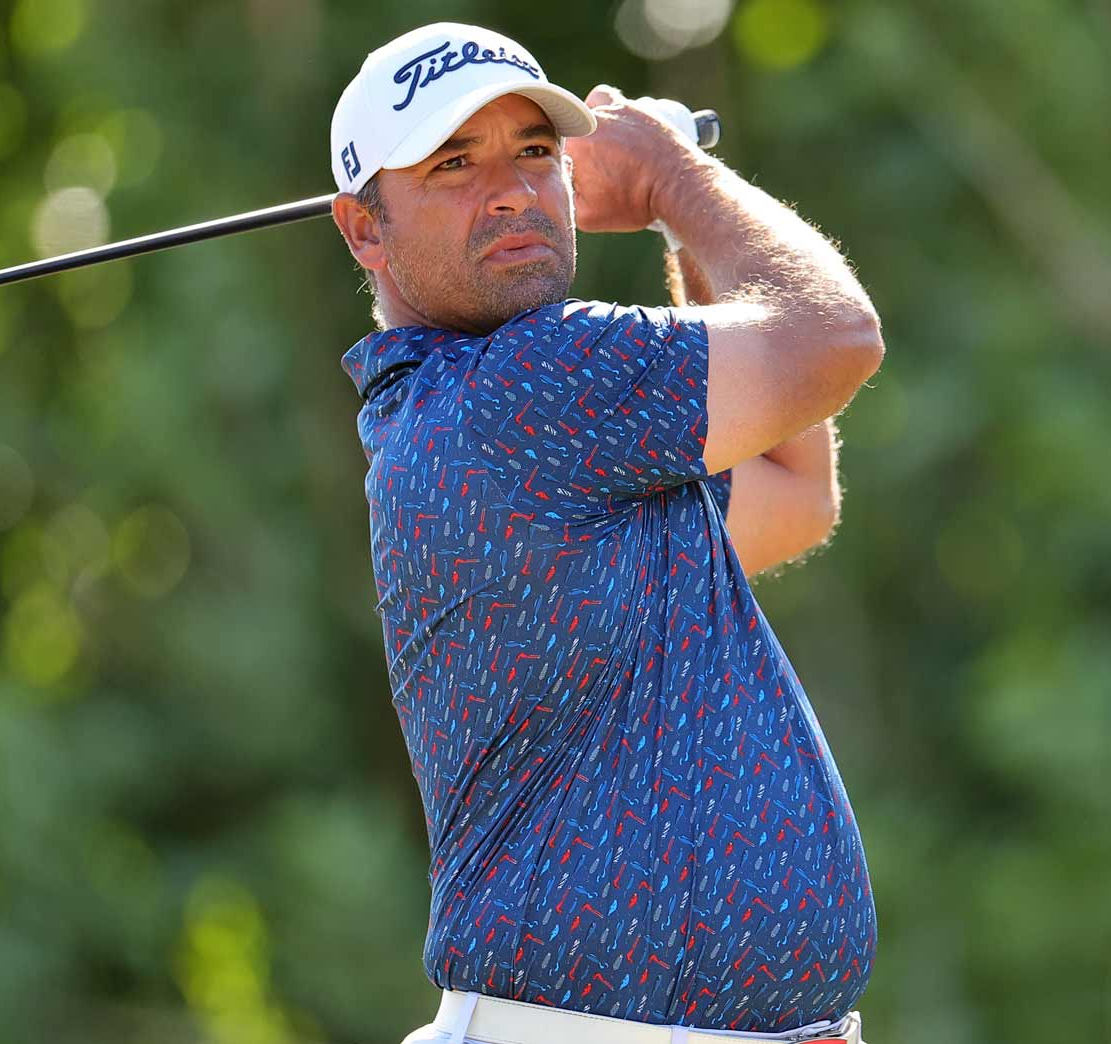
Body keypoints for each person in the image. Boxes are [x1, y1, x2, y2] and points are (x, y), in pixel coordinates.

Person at [328, 22, 885, 1044]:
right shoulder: (532, 385)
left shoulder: (535, 427)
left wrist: (683, 226)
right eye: (453, 164)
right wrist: (676, 176)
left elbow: (793, 486)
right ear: (363, 230)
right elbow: (835, 336)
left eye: (533, 152)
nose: (508, 189)